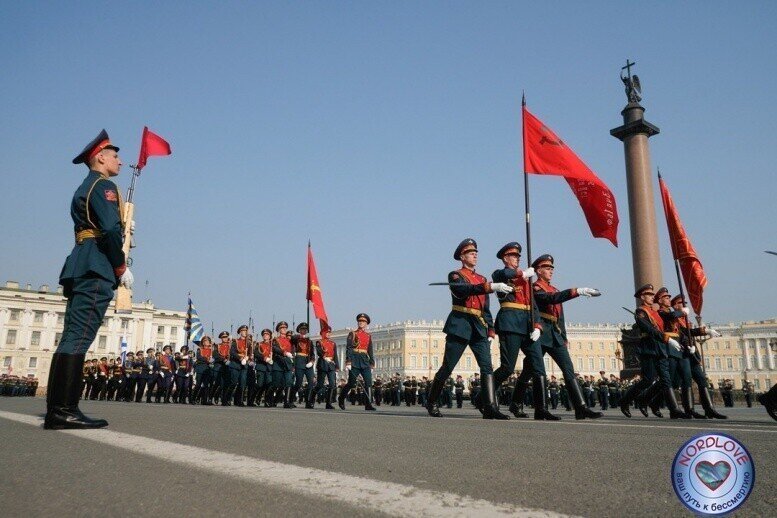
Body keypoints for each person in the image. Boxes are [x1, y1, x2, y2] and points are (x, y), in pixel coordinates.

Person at [45, 130, 134, 429]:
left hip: (81, 262)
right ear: (100, 157)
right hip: (97, 266)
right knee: (79, 336)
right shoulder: (103, 185)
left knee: (72, 335)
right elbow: (109, 229)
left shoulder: (86, 186)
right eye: (116, 155)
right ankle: (63, 410)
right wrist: (120, 265)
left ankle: (58, 408)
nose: (120, 161)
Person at [426, 239, 512, 419]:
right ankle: (432, 401)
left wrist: (490, 328)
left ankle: (489, 407)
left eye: (476, 253)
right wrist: (489, 287)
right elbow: (462, 291)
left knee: (487, 367)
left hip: (479, 326)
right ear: (462, 257)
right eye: (471, 253)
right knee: (448, 366)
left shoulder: (481, 278)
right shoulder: (455, 275)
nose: (475, 255)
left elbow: (485, 307)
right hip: (460, 324)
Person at [511, 254, 602, 420]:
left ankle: (580, 407)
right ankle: (517, 403)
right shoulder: (535, 288)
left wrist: (564, 337)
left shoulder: (555, 289)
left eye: (552, 268)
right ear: (538, 271)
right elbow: (551, 300)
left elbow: (560, 317)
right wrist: (577, 291)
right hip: (539, 332)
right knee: (530, 371)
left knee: (569, 370)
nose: (551, 271)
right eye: (547, 268)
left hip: (555, 335)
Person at [487, 242, 542, 418]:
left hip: (527, 324)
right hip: (510, 323)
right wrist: (522, 273)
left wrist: (538, 325)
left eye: (518, 256)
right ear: (505, 258)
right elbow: (505, 273)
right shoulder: (500, 274)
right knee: (508, 368)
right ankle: (484, 396)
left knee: (537, 364)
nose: (517, 259)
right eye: (514, 256)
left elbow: (532, 304)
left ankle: (535, 408)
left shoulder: (526, 281)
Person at [619, 284, 686, 419]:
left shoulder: (655, 312)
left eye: (652, 295)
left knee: (666, 379)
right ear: (643, 297)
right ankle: (625, 400)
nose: (652, 297)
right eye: (649, 295)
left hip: (660, 348)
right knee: (648, 380)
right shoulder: (640, 312)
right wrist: (667, 339)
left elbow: (665, 324)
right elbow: (649, 330)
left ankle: (674, 409)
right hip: (648, 348)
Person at [337, 313, 377, 411]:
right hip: (354, 360)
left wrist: (372, 363)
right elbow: (349, 348)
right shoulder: (353, 334)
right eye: (359, 321)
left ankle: (368, 404)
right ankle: (341, 398)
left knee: (368, 383)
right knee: (351, 383)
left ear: (366, 323)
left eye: (363, 321)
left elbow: (370, 350)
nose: (361, 323)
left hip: (364, 360)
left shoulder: (368, 336)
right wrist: (348, 361)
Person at [292, 323, 316, 408]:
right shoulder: (297, 339)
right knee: (298, 383)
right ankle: (291, 399)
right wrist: (300, 336)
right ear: (299, 330)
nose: (304, 331)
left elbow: (312, 353)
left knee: (311, 383)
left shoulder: (309, 341)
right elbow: (292, 338)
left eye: (305, 330)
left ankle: (308, 402)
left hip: (308, 362)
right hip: (299, 361)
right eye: (302, 329)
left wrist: (312, 361)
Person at [272, 322, 295, 408]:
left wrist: (292, 357)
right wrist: (284, 353)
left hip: (288, 363)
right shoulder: (275, 340)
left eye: (285, 328)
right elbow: (274, 348)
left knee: (288, 382)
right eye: (282, 328)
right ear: (279, 330)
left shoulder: (290, 340)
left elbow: (293, 350)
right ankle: (273, 400)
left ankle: (287, 402)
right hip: (278, 363)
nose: (284, 329)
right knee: (277, 384)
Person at [229, 325, 250, 407]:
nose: (245, 332)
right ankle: (228, 398)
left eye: (246, 331)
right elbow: (232, 352)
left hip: (244, 366)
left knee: (242, 383)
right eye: (243, 331)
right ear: (240, 332)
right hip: (236, 364)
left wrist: (248, 357)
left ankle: (240, 400)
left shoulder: (249, 343)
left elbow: (251, 353)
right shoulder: (236, 341)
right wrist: (240, 358)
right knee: (234, 382)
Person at [254, 329, 274, 407]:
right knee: (260, 384)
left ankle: (267, 401)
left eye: (267, 335)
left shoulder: (272, 345)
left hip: (269, 367)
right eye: (264, 335)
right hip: (261, 366)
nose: (265, 336)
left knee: (268, 384)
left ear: (270, 336)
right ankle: (257, 397)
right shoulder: (259, 344)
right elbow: (256, 354)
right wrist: (265, 358)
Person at [193, 336, 214, 405]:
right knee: (198, 385)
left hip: (208, 369)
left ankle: (204, 400)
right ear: (202, 342)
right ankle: (193, 398)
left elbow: (214, 358)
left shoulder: (211, 350)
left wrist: (212, 359)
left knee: (206, 385)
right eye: (205, 341)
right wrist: (207, 359)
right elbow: (199, 357)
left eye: (208, 341)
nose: (206, 342)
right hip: (200, 368)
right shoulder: (199, 349)